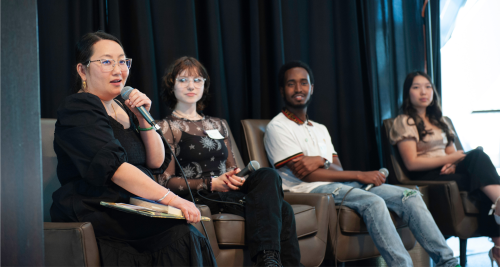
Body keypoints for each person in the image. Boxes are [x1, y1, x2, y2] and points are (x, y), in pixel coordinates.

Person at [264, 61, 460, 267]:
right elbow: (306, 175)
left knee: (410, 196)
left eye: (303, 83)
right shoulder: (277, 127)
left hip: (340, 186)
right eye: (291, 84)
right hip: (309, 191)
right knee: (373, 202)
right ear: (282, 90)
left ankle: (448, 262)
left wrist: (321, 160)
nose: (298, 89)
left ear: (311, 88)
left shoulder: (319, 128)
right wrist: (357, 174)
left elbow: (337, 167)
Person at [51, 32, 216, 267]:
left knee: (186, 232)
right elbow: (114, 168)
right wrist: (175, 200)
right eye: (107, 62)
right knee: (181, 235)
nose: (118, 70)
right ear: (82, 70)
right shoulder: (79, 107)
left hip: (135, 205)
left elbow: (156, 162)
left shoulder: (126, 106)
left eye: (122, 61)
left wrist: (143, 119)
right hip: (97, 206)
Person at [157, 56, 301, 267]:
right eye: (183, 80)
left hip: (230, 189)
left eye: (197, 80)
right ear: (172, 85)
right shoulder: (166, 127)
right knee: (284, 209)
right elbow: (165, 180)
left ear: (204, 85)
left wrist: (236, 178)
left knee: (267, 174)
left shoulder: (219, 124)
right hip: (201, 194)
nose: (191, 85)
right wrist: (212, 183)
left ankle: (269, 261)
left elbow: (235, 168)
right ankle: (268, 261)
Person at [390, 71, 500, 264]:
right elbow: (412, 163)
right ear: (408, 93)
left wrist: (452, 163)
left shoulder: (442, 121)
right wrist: (450, 160)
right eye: (416, 87)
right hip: (427, 175)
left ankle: (499, 235)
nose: (423, 92)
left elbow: (451, 154)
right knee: (478, 160)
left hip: (447, 172)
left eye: (428, 87)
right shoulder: (404, 121)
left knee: (479, 172)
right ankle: (498, 240)